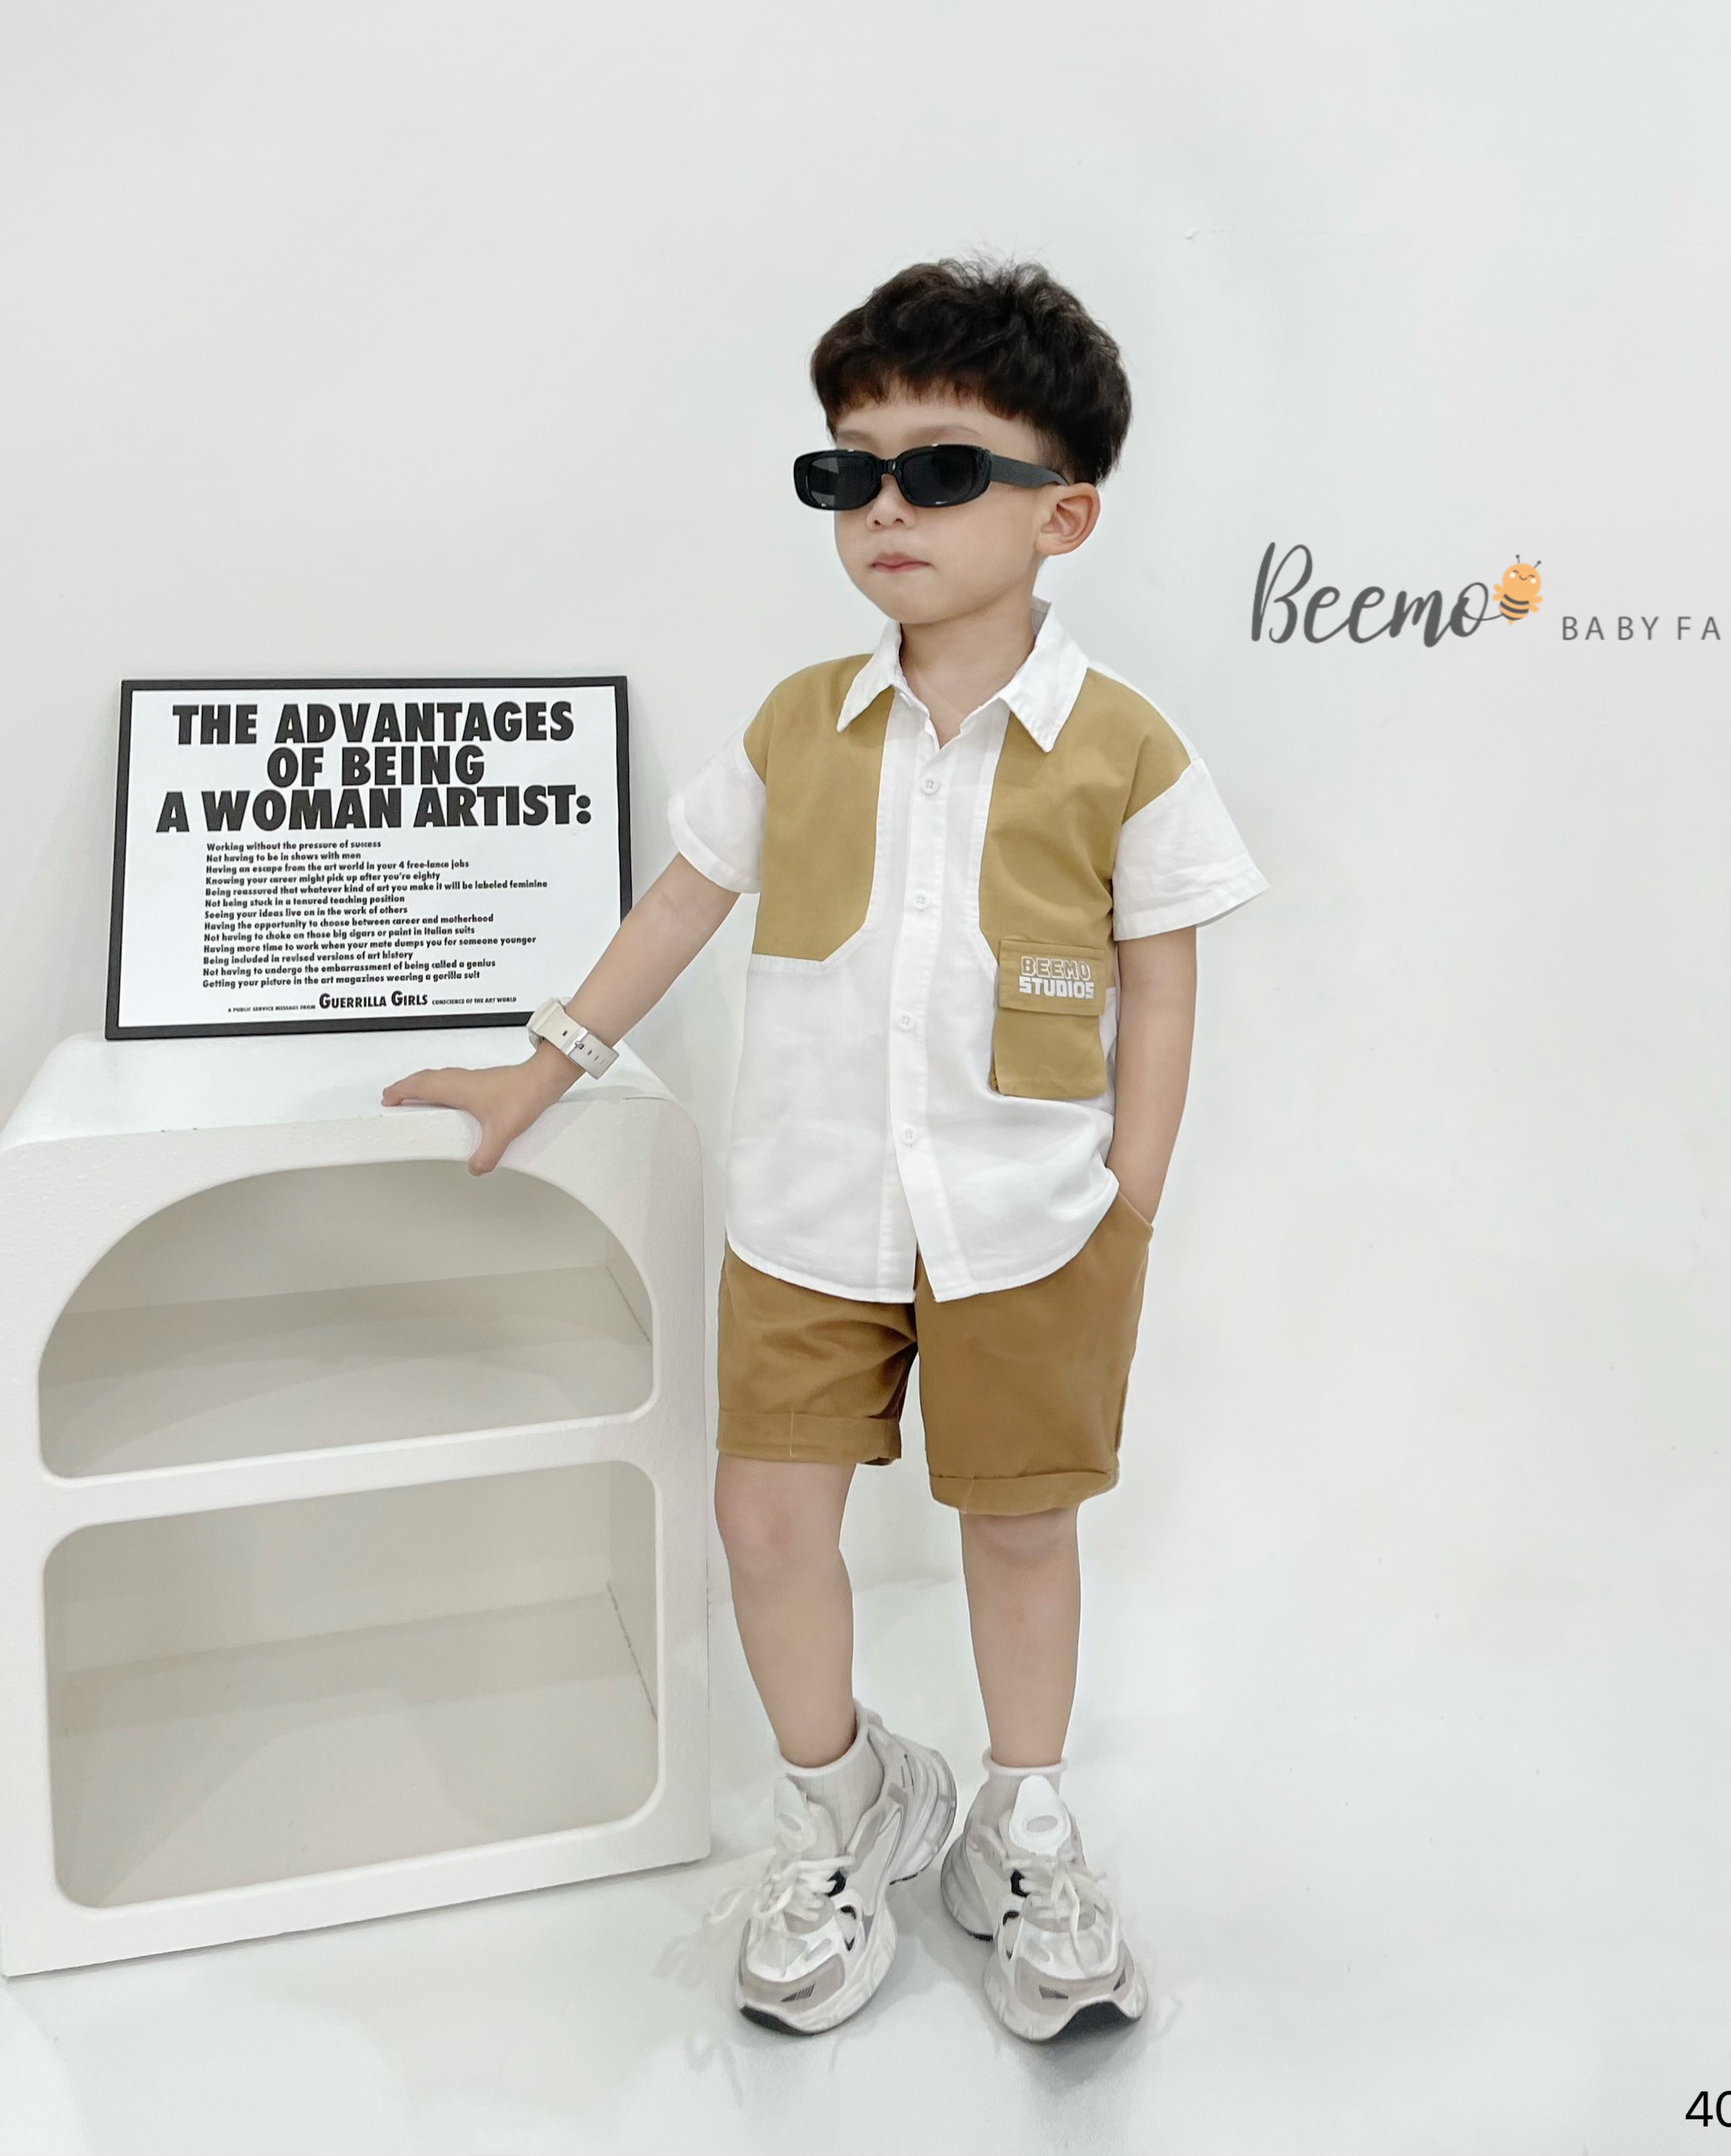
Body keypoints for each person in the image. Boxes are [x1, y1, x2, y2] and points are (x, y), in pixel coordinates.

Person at [383, 256, 1267, 2042]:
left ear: (1063, 512)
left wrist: (1133, 1198)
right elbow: (682, 898)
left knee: (1020, 1530)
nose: (883, 509)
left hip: (1031, 1222)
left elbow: (1162, 981)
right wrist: (543, 1067)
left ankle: (1026, 1825)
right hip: (805, 1213)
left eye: (938, 471)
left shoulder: (1125, 748)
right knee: (764, 1519)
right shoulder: (800, 722)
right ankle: (845, 1801)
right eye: (846, 472)